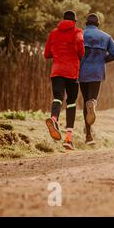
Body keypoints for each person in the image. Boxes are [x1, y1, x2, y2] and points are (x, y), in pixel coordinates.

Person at [44, 10, 84, 150]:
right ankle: (68, 138)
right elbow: (81, 50)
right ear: (74, 21)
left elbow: (46, 54)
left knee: (58, 97)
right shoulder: (77, 31)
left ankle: (54, 118)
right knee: (71, 102)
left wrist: (57, 54)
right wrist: (78, 55)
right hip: (72, 72)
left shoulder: (54, 33)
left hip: (57, 71)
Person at [79, 13, 114, 145]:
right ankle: (93, 103)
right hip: (97, 71)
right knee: (92, 99)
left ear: (86, 23)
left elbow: (75, 51)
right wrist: (102, 60)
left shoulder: (80, 34)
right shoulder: (106, 36)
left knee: (85, 100)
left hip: (83, 71)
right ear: (98, 24)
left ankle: (88, 136)